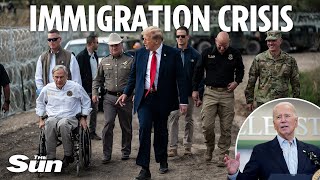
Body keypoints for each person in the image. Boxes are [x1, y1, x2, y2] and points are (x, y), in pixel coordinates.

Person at [116, 26, 188, 180]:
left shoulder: (173, 54)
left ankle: (162, 159)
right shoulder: (140, 53)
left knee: (161, 131)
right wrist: (126, 93)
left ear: (156, 40)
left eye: (145, 39)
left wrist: (183, 101)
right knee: (144, 129)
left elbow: (181, 79)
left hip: (163, 99)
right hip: (145, 99)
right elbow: (134, 76)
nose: (143, 42)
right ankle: (144, 168)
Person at [224, 102, 320, 180]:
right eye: (278, 117)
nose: (283, 120)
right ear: (274, 124)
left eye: (287, 116)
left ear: (296, 122)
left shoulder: (314, 151)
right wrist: (234, 174)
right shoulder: (260, 151)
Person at [192, 31, 244, 167]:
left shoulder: (235, 54)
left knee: (226, 127)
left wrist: (236, 82)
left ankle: (223, 155)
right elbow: (198, 71)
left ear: (229, 43)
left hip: (227, 94)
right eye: (220, 45)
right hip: (210, 93)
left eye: (225, 46)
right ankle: (209, 147)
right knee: (206, 125)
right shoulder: (207, 52)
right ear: (216, 41)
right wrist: (195, 89)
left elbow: (240, 70)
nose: (222, 48)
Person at [35, 65, 91, 168]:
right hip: (53, 117)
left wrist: (83, 117)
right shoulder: (48, 88)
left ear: (67, 76)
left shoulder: (75, 87)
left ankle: (68, 155)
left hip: (71, 118)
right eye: (56, 77)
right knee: (50, 122)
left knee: (63, 123)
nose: (59, 80)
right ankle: (51, 157)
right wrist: (41, 119)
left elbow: (86, 101)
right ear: (53, 76)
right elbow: (40, 103)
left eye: (61, 77)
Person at [92, 33, 134, 164]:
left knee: (126, 126)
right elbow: (97, 80)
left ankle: (125, 151)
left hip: (125, 98)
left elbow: (135, 80)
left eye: (116, 45)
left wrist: (135, 94)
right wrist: (94, 92)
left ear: (121, 45)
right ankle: (106, 154)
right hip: (109, 97)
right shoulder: (104, 62)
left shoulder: (130, 60)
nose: (114, 48)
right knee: (108, 123)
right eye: (111, 46)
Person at [168, 26, 203, 157]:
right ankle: (173, 147)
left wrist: (199, 93)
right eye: (178, 36)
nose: (180, 39)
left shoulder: (195, 55)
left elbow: (199, 76)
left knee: (189, 119)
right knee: (173, 118)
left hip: (189, 93)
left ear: (188, 37)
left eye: (183, 36)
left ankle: (187, 146)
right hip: (173, 93)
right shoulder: (170, 53)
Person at [244, 30, 300, 111]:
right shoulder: (259, 59)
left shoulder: (289, 60)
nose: (270, 43)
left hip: (282, 103)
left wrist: (296, 101)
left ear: (280, 41)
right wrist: (249, 100)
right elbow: (251, 81)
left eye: (273, 40)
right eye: (268, 41)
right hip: (263, 102)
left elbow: (295, 82)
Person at [35, 28, 82, 94]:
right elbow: (38, 78)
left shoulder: (69, 56)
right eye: (49, 40)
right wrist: (42, 92)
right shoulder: (43, 58)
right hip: (49, 95)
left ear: (60, 40)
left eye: (54, 39)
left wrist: (73, 94)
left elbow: (76, 79)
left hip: (66, 95)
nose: (51, 42)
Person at [76, 33, 101, 140]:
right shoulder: (81, 57)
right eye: (96, 42)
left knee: (94, 111)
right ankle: (82, 133)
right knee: (83, 112)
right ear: (91, 43)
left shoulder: (94, 55)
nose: (98, 44)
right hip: (85, 90)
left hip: (94, 89)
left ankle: (92, 132)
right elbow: (78, 75)